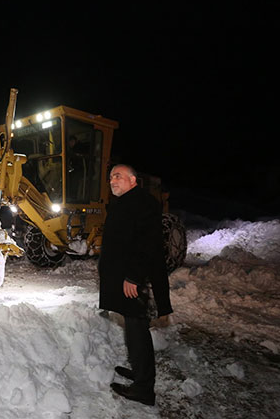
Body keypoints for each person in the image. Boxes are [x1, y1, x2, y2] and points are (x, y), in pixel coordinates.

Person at [98, 164, 172, 406]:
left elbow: (147, 243)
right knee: (132, 327)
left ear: (133, 180)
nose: (112, 181)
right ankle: (139, 371)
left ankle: (143, 388)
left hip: (134, 279)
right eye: (110, 177)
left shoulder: (142, 202)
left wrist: (134, 277)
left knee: (138, 329)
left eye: (118, 176)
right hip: (126, 277)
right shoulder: (128, 201)